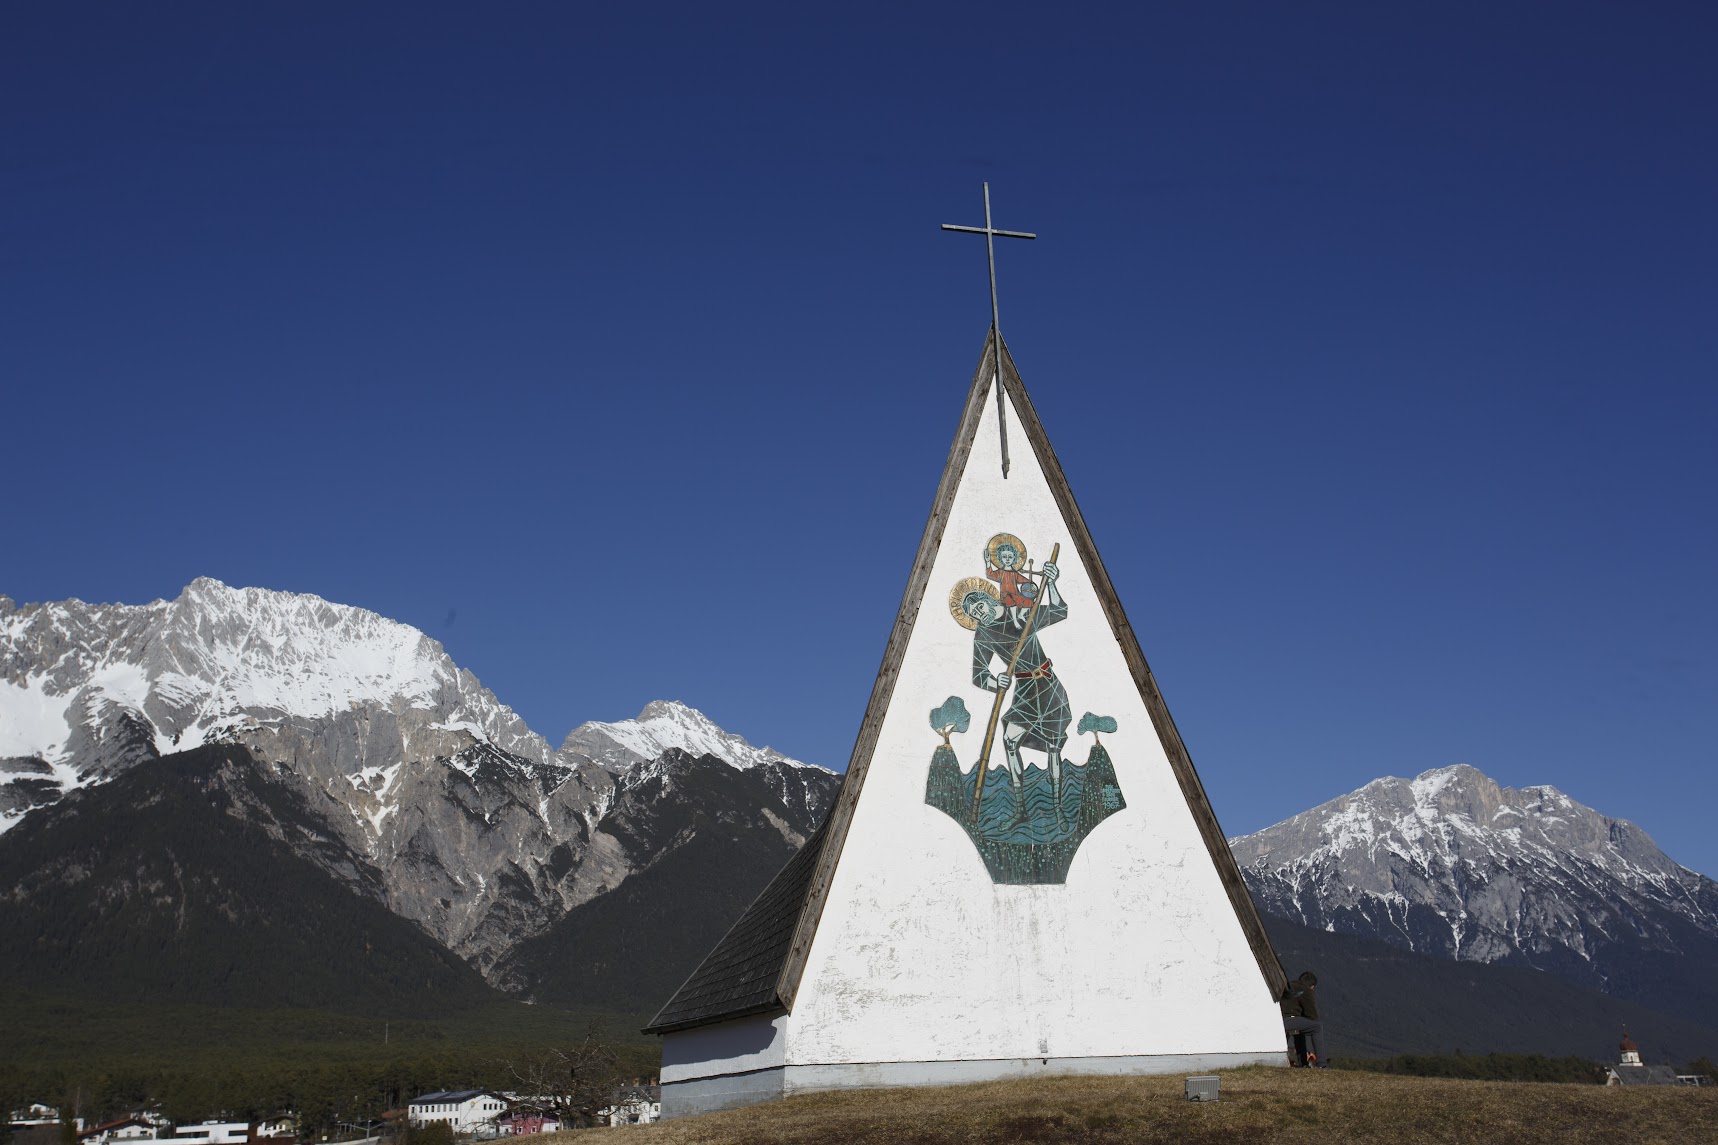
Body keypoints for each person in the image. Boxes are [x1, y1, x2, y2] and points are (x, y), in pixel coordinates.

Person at [961, 560, 1070, 819]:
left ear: (988, 599)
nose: (979, 615)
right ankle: (1021, 808)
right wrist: (994, 681)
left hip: (1047, 683)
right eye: (974, 615)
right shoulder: (984, 635)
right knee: (1010, 740)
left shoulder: (1021, 611)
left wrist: (1052, 583)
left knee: (1054, 746)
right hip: (1023, 690)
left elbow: (1058, 611)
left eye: (979, 607)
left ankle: (1057, 808)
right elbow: (979, 674)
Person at [1281, 971, 1325, 1067]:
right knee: (1317, 1027)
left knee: (1300, 1027)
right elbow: (1312, 1015)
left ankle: (1303, 1063)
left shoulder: (1289, 985)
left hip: (1279, 1019)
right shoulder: (1306, 990)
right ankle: (1321, 1064)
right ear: (1312, 986)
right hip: (1287, 1021)